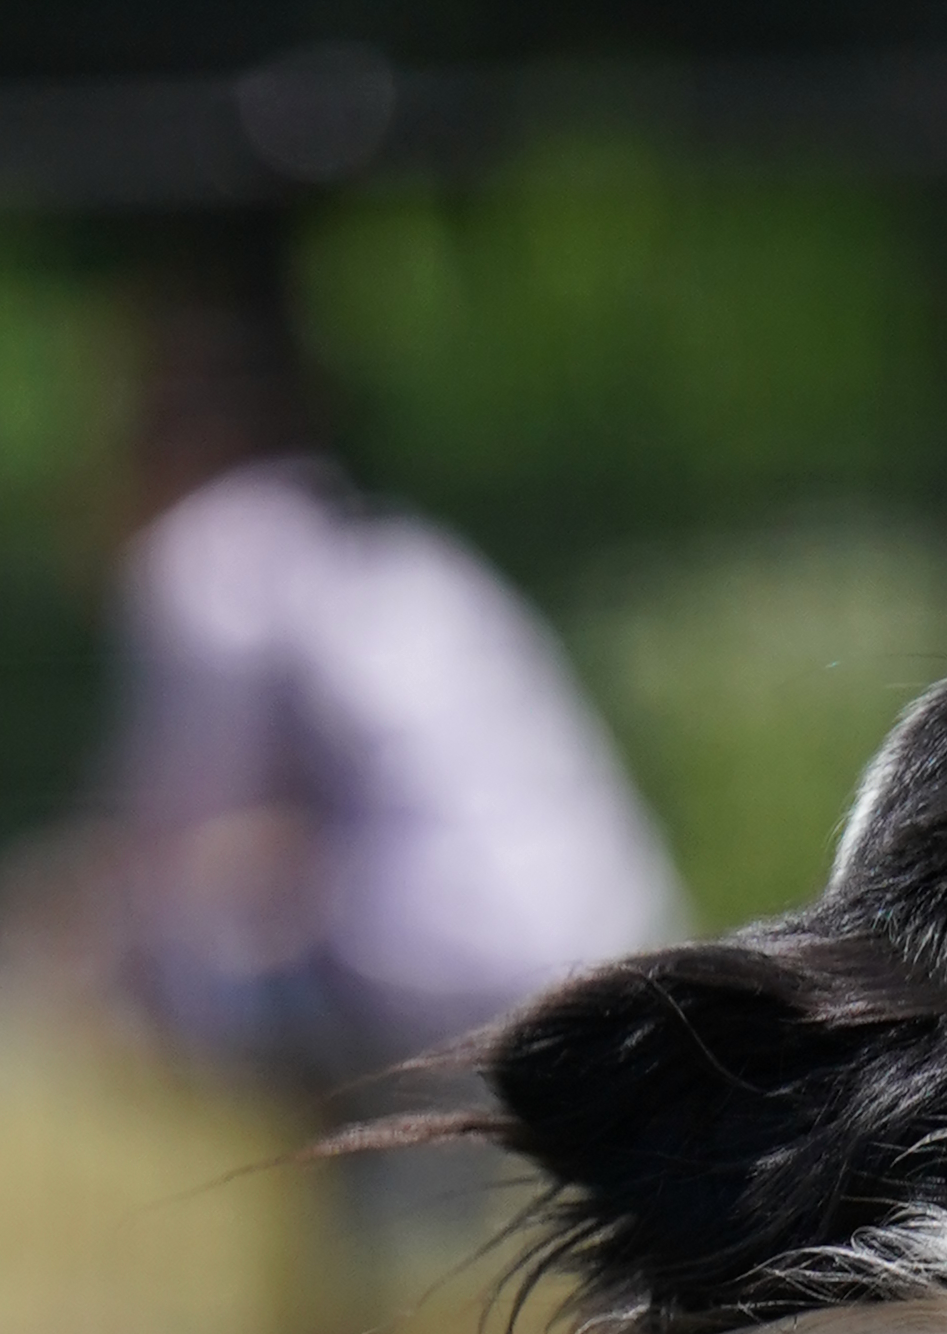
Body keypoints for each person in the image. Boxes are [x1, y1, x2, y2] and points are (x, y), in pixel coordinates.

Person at [82, 257, 678, 1165]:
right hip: (613, 933)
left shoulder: (213, 555)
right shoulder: (398, 552)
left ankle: (362, 1218)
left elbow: (168, 836)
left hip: (454, 968)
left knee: (140, 957)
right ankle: (404, 1201)